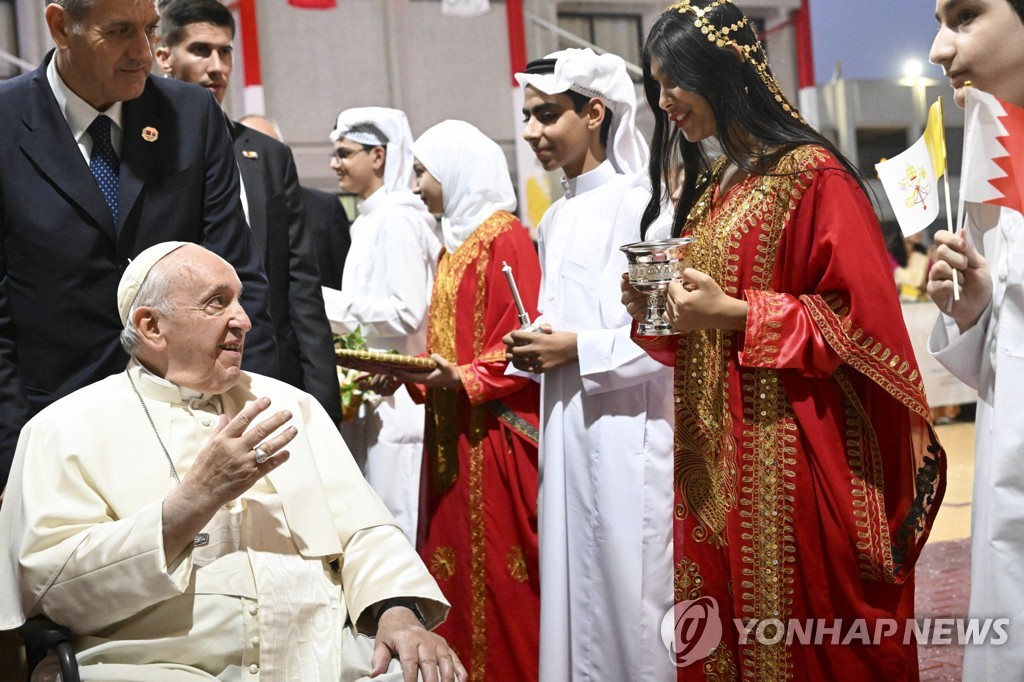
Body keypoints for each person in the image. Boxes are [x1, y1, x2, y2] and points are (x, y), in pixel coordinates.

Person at [622, 2, 947, 678]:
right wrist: (660, 310)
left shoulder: (813, 176)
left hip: (795, 454)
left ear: (725, 70)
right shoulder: (715, 185)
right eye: (654, 83)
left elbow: (859, 322)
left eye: (674, 78)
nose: (663, 99)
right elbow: (706, 329)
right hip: (714, 458)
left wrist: (740, 313)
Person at [0, 241, 466, 682]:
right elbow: (52, 587)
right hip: (153, 660)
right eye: (216, 302)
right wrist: (193, 502)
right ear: (151, 326)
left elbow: (366, 533)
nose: (243, 319)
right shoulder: (62, 428)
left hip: (322, 653)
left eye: (239, 301)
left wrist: (400, 615)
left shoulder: (290, 404)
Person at [0, 0, 276, 491]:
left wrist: (246, 415)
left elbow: (236, 276)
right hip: (52, 428)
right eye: (121, 31)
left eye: (149, 29)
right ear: (61, 26)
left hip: (189, 419)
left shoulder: (191, 114)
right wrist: (10, 459)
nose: (144, 53)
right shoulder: (5, 120)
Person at [503, 49, 676, 681]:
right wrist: (535, 346)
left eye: (546, 115)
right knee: (574, 588)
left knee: (632, 596)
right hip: (568, 428)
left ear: (596, 112)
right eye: (527, 116)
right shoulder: (556, 216)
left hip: (630, 432)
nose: (531, 133)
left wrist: (577, 348)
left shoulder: (644, 205)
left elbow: (664, 338)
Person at [372, 120, 541, 681]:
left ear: (455, 169)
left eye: (422, 171)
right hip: (452, 437)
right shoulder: (455, 245)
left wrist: (461, 377)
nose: (416, 184)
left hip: (495, 439)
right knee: (454, 574)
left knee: (504, 575)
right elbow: (448, 349)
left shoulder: (506, 237)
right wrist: (407, 376)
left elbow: (523, 342)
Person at [156, 0, 342, 424]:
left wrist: (323, 402)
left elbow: (301, 286)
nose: (217, 66)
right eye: (201, 50)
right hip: (175, 377)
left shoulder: (268, 156)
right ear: (164, 55)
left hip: (266, 373)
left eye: (226, 51)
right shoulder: (140, 150)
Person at [926, 0, 1024, 677]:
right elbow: (1003, 371)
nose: (938, 48)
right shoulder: (994, 165)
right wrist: (974, 314)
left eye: (965, 16)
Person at [322, 107, 440, 543]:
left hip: (402, 400)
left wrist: (325, 304)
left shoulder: (398, 217)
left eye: (344, 153)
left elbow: (407, 311)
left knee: (399, 527)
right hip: (377, 394)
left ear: (377, 156)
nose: (334, 164)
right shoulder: (373, 217)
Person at [237, 114, 355, 290]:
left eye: (267, 147)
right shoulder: (228, 208)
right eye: (248, 149)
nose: (257, 157)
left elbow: (342, 280)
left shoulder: (325, 208)